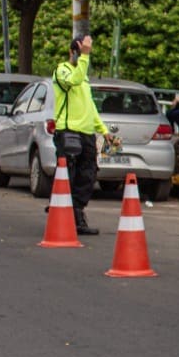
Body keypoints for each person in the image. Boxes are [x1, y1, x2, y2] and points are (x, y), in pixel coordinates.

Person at [52, 34, 115, 235]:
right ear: (72, 52)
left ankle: (77, 212)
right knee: (68, 175)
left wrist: (103, 130)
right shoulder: (62, 71)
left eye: (84, 53)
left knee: (88, 175)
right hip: (69, 131)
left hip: (87, 133)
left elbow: (90, 107)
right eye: (79, 53)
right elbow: (74, 79)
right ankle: (62, 213)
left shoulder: (84, 77)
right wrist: (84, 57)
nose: (81, 57)